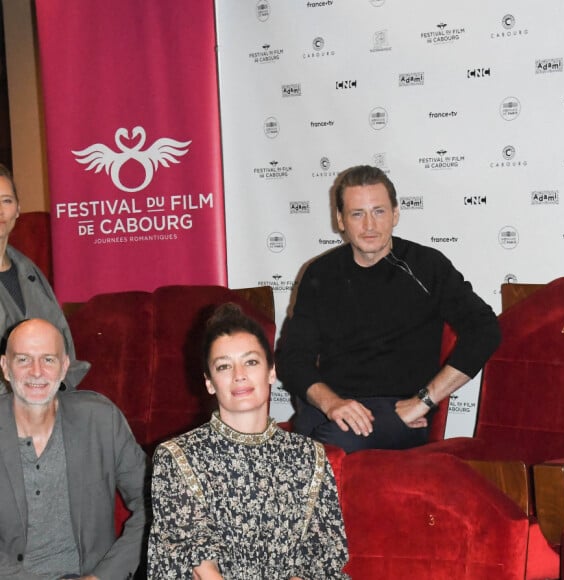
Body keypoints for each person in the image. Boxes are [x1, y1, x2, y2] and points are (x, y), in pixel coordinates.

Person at [276, 165, 501, 453]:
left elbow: (484, 329)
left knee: (325, 448)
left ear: (395, 214)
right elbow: (294, 358)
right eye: (357, 214)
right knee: (293, 447)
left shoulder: (427, 267)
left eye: (379, 211)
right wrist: (331, 403)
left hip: (397, 411)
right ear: (340, 220)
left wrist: (424, 401)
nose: (369, 225)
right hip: (331, 404)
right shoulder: (320, 274)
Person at [147, 303, 349, 580]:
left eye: (251, 361)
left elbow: (322, 555)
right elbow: (196, 559)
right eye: (224, 366)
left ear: (271, 372)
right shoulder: (176, 456)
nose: (239, 374)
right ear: (209, 382)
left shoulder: (308, 455)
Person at [0, 318, 149, 579]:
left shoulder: (101, 419)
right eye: (23, 359)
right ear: (5, 367)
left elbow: (155, 500)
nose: (36, 371)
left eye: (48, 359)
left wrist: (103, 577)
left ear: (64, 366)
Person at [0, 164, 89, 394]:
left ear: (18, 209)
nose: (0, 210)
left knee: (101, 414)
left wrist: (58, 389)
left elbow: (62, 343)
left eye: (6, 201)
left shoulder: (28, 271)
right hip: (8, 409)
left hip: (46, 401)